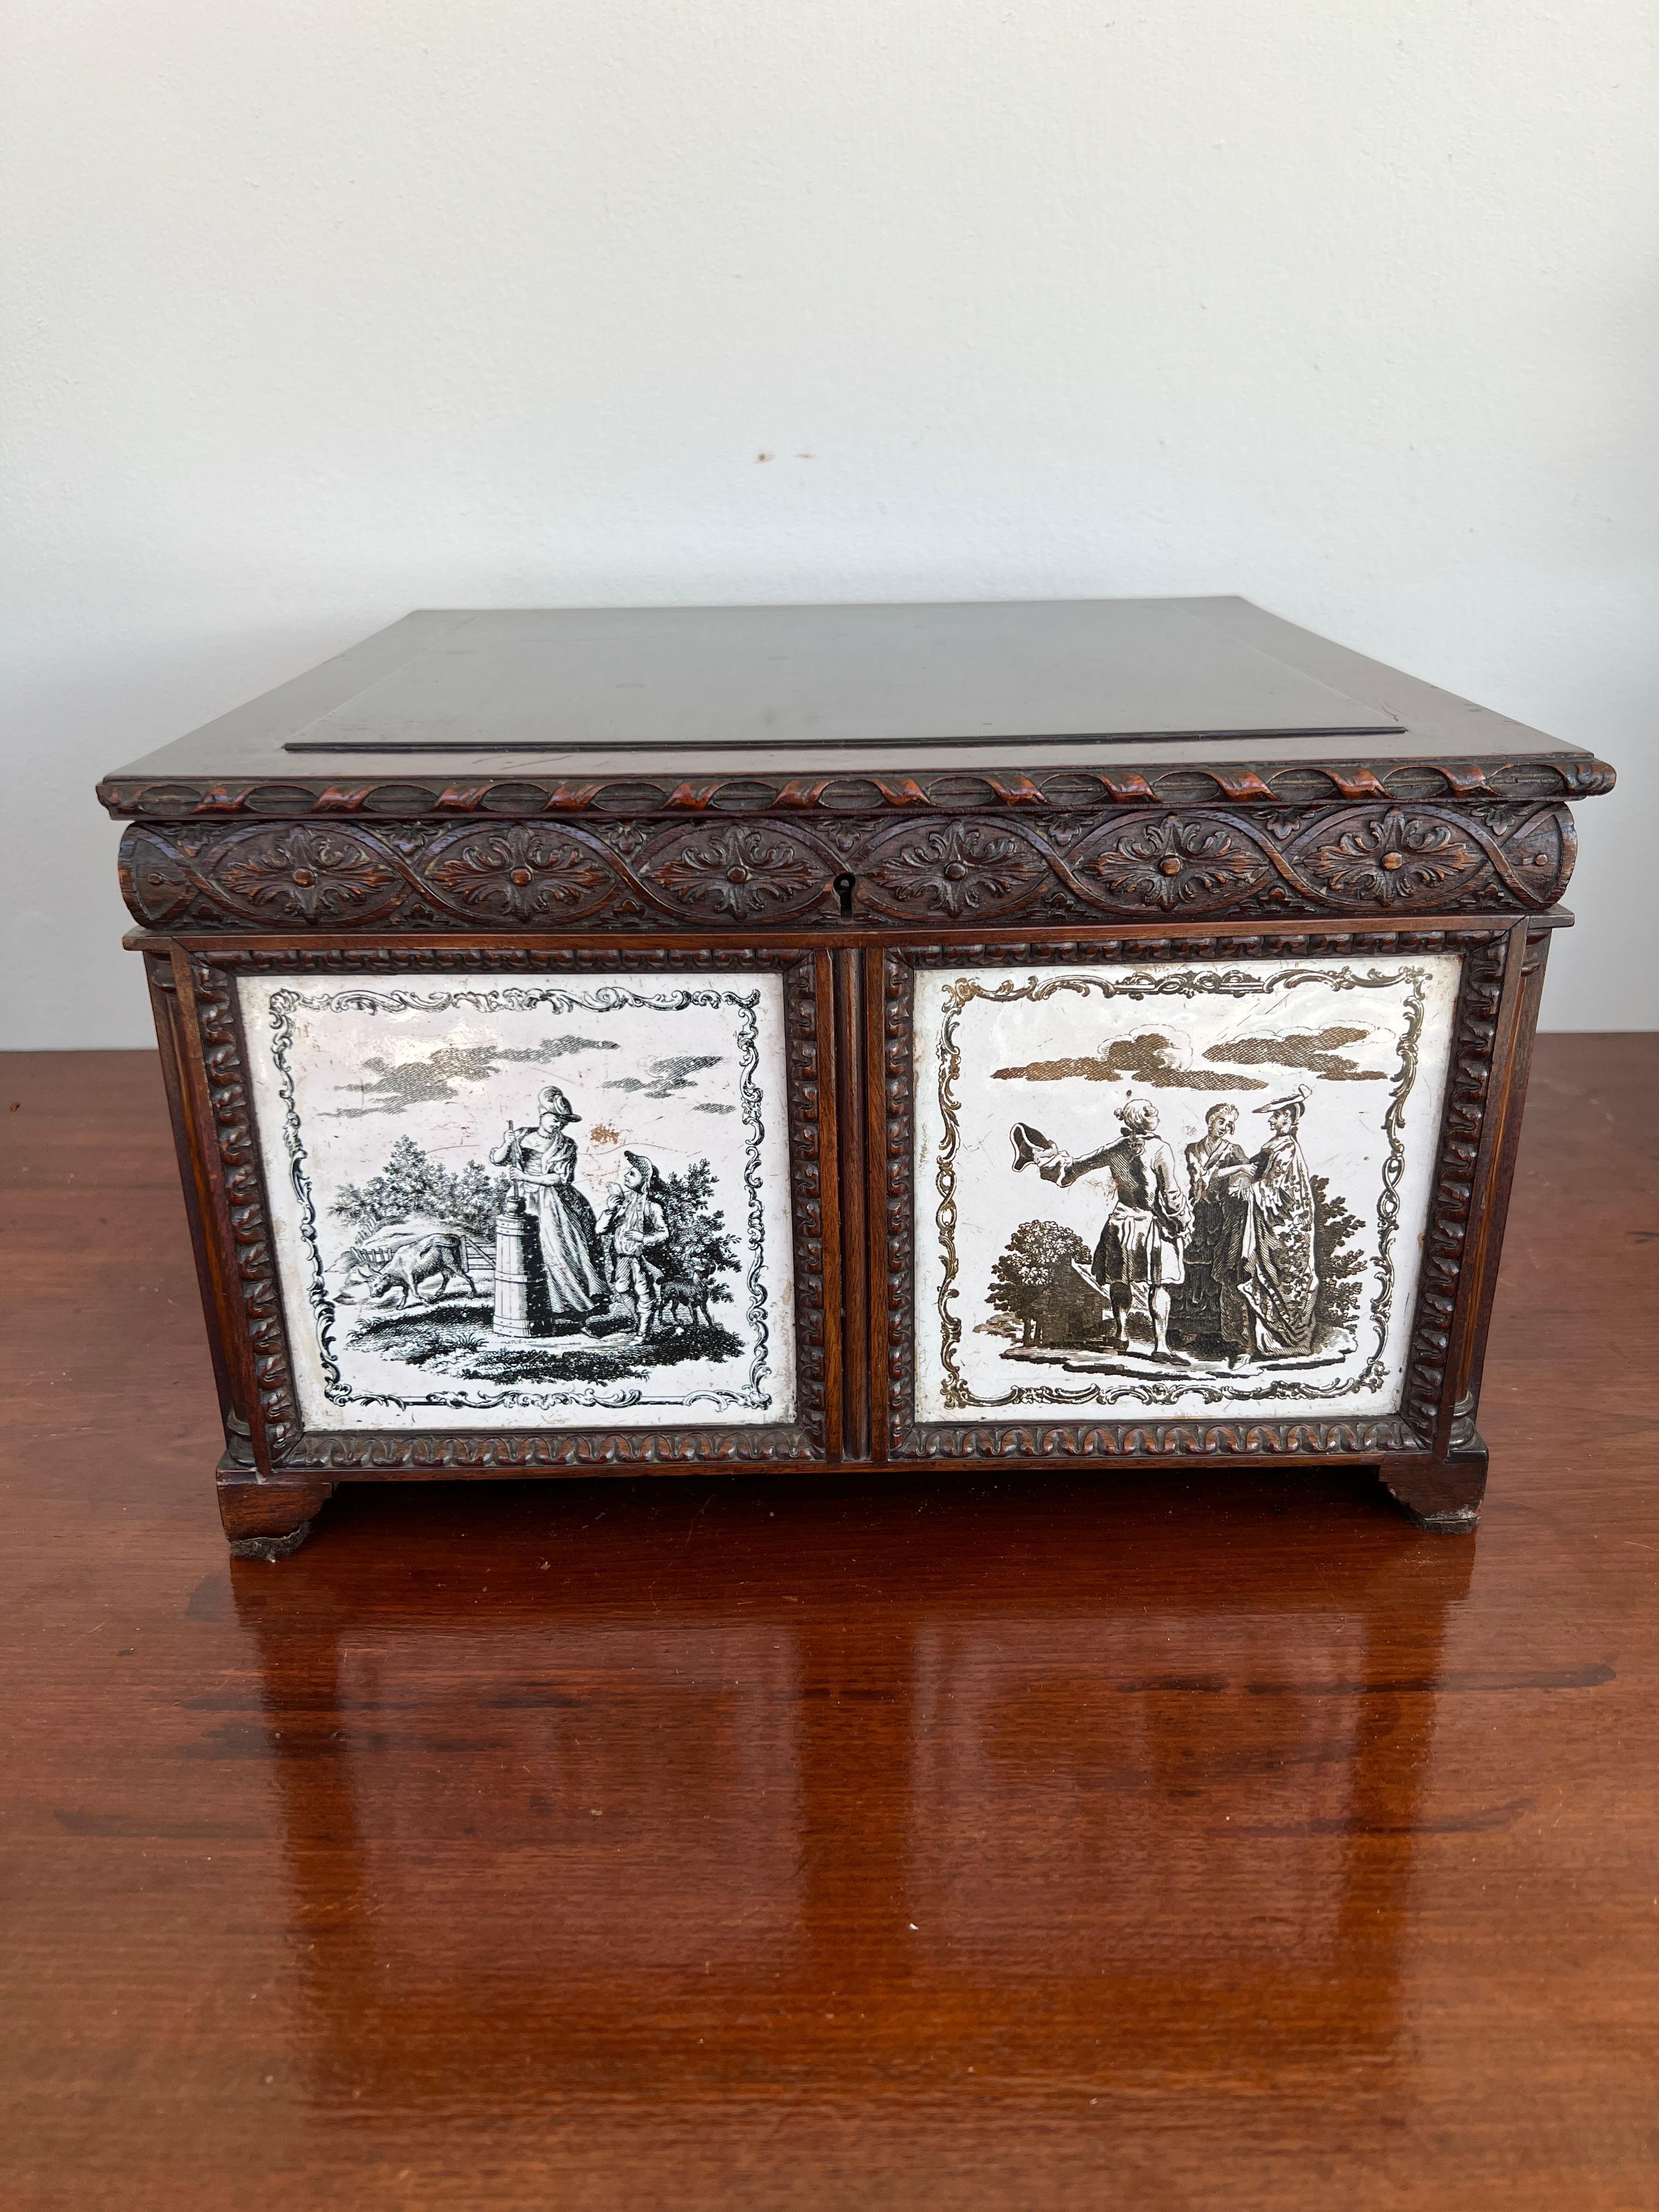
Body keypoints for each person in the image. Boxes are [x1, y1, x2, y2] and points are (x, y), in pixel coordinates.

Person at [1012, 1096, 1193, 1363]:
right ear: (1151, 1122)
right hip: (1150, 1225)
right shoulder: (1161, 1149)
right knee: (1159, 1286)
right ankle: (1161, 1347)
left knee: (1121, 1281)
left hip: (1120, 1224)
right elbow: (1172, 1194)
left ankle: (1121, 1335)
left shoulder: (1115, 1148)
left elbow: (1075, 1168)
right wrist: (1182, 1222)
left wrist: (1047, 1159)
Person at [1211, 1086, 1319, 1365]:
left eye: (1275, 1117)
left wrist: (1251, 1191)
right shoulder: (1273, 1146)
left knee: (1260, 1274)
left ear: (1287, 1117)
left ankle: (1271, 1345)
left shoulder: (1287, 1149)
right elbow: (1254, 1173)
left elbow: (1282, 1193)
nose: (1270, 1121)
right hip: (1259, 1223)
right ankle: (1250, 1344)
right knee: (1245, 1273)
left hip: (1277, 1228)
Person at [490, 1085, 608, 1323]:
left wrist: (525, 1177)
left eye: (563, 1123)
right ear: (542, 1114)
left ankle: (571, 1307)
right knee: (524, 1254)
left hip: (551, 1203)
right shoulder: (522, 1135)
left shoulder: (567, 1145)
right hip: (523, 1202)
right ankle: (535, 1307)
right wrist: (507, 1143)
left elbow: (560, 1178)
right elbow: (498, 1160)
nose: (559, 1125)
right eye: (556, 1119)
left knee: (558, 1249)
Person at [1180, 1103, 1249, 1347]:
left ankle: (1219, 1329)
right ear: (1210, 1121)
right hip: (1197, 1214)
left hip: (1222, 1216)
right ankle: (1191, 1327)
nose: (1226, 1128)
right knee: (1193, 1267)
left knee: (1217, 1267)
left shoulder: (1235, 1150)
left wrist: (1238, 1174)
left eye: (1230, 1124)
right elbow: (1199, 1175)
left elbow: (1251, 1173)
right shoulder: (1193, 1149)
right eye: (1222, 1122)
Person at [598, 1152, 672, 1336]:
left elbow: (664, 1233)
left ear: (645, 1180)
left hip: (641, 1258)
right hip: (621, 1256)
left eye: (632, 1174)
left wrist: (643, 1238)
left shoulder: (652, 1206)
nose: (626, 1176)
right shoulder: (622, 1203)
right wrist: (609, 1210)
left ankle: (643, 1332)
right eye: (628, 1172)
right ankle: (638, 1322)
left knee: (644, 1293)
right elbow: (600, 1230)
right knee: (622, 1288)